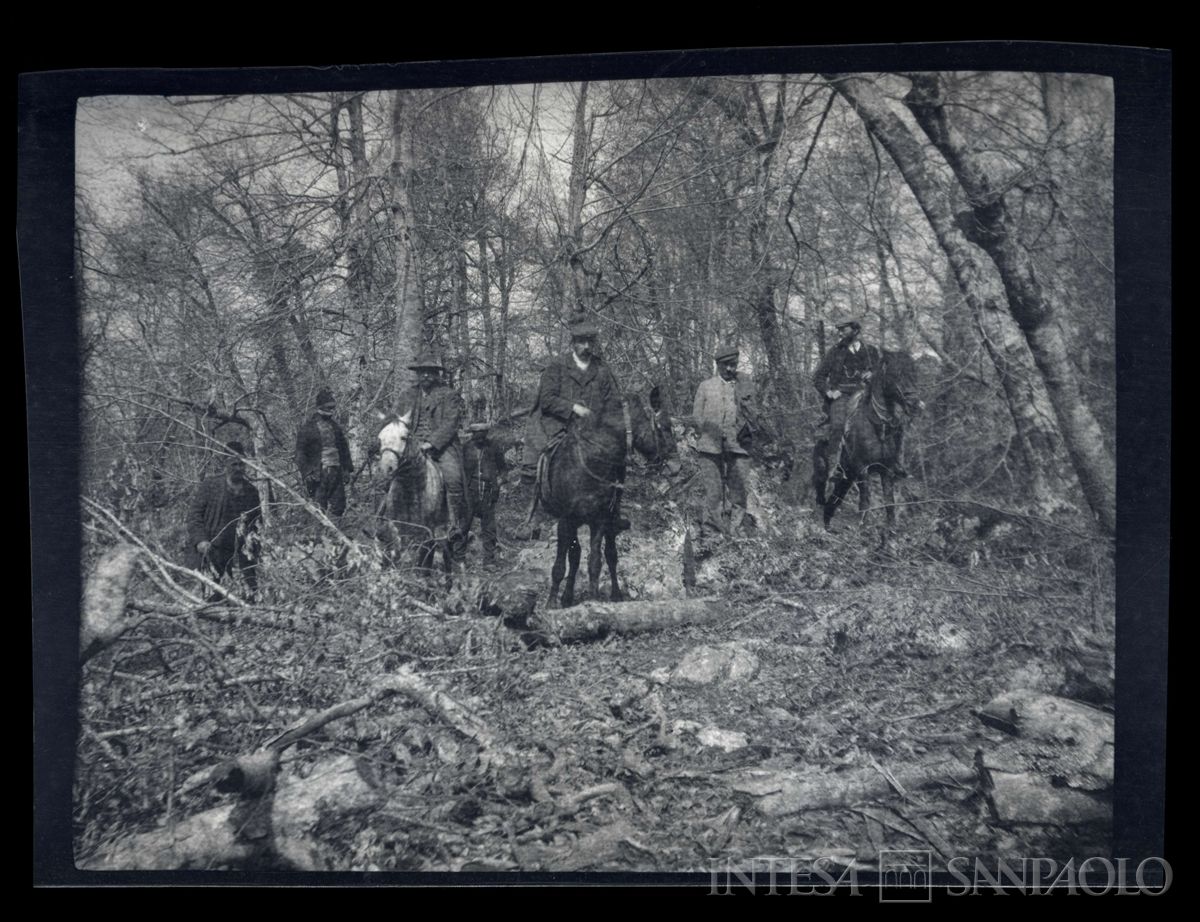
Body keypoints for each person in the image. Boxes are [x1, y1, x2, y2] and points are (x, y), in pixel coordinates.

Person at [395, 353, 468, 561]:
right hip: (411, 447)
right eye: (422, 372)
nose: (426, 375)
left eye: (430, 372)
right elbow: (398, 421)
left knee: (453, 478)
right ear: (417, 374)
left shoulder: (449, 395)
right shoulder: (407, 396)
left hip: (441, 447)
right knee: (389, 474)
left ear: (436, 374)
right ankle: (383, 521)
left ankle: (454, 525)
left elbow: (450, 424)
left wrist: (431, 443)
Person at [811, 318, 904, 476]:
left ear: (855, 330)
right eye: (839, 330)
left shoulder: (871, 351)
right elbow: (819, 377)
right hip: (843, 395)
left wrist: (873, 374)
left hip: (867, 394)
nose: (840, 333)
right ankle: (835, 467)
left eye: (844, 329)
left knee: (894, 420)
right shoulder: (835, 352)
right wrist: (829, 392)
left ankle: (895, 462)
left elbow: (881, 373)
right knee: (838, 425)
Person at [691, 344, 759, 538]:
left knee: (739, 490)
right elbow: (696, 416)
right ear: (718, 365)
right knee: (713, 491)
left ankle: (737, 530)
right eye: (725, 365)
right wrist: (710, 432)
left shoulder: (744, 385)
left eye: (733, 364)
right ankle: (712, 532)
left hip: (739, 447)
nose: (729, 369)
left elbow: (754, 415)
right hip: (709, 447)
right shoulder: (706, 386)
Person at [536, 313, 625, 449]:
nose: (587, 346)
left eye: (590, 342)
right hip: (560, 427)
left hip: (595, 429)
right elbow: (547, 400)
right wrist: (574, 408)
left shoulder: (602, 368)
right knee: (543, 459)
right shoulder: (557, 366)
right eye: (582, 342)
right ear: (573, 343)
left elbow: (613, 402)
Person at [186, 441, 262, 601]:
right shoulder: (210, 486)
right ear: (225, 463)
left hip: (239, 552)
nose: (238, 468)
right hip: (211, 549)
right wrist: (200, 540)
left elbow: (256, 524)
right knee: (212, 597)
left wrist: (255, 551)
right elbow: (194, 516)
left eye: (241, 464)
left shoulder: (251, 492)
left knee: (250, 595)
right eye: (234, 464)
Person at [295, 387, 353, 517]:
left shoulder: (335, 427)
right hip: (318, 474)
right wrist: (307, 472)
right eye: (328, 407)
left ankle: (337, 533)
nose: (331, 410)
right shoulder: (307, 428)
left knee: (339, 506)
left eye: (333, 407)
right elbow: (300, 453)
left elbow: (344, 449)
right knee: (319, 508)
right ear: (320, 407)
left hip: (336, 471)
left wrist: (346, 469)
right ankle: (319, 534)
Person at [462, 421, 508, 565]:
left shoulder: (494, 447)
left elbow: (503, 469)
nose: (480, 439)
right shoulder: (466, 448)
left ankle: (488, 561)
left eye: (483, 435)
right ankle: (458, 560)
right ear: (473, 434)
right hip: (470, 491)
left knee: (489, 528)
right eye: (477, 435)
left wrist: (500, 481)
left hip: (488, 491)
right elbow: (460, 470)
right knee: (464, 525)